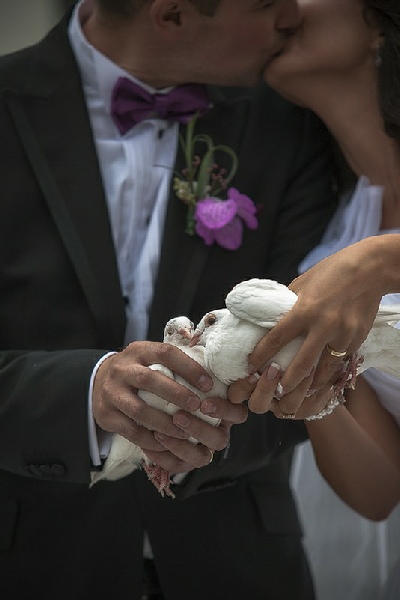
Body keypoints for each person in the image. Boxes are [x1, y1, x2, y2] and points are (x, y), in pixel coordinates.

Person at [0, 1, 338, 599]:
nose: (292, 15)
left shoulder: (295, 125)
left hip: (238, 563)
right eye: (266, 2)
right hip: (32, 557)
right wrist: (83, 394)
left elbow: (314, 347)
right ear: (173, 14)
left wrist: (193, 435)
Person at [228, 1, 400, 597]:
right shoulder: (329, 230)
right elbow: (379, 492)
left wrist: (376, 262)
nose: (281, 8)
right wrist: (306, 389)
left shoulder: (355, 256)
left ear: (380, 22)